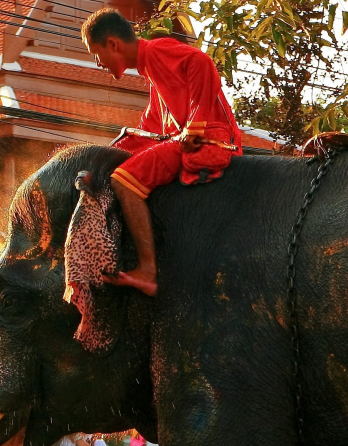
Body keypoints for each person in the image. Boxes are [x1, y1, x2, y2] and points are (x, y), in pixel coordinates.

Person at [81, 8, 244, 297]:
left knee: (123, 182)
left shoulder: (157, 51)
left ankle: (147, 270)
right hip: (184, 142)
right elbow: (149, 130)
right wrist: (104, 157)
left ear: (114, 44)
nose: (99, 63)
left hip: (208, 141)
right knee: (119, 168)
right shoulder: (151, 72)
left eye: (97, 54)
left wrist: (196, 125)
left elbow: (202, 62)